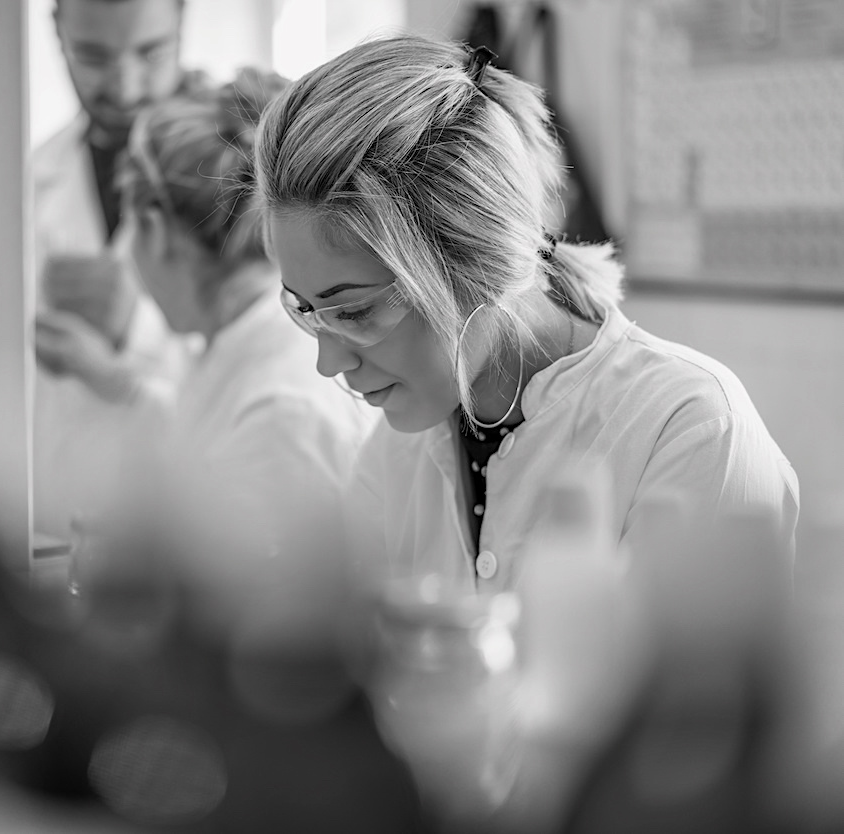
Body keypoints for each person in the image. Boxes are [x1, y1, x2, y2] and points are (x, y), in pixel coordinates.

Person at [253, 35, 799, 593]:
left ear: (475, 261)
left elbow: (698, 679)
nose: (327, 362)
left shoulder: (689, 429)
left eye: (354, 311)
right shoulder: (399, 452)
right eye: (307, 310)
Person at [36, 68, 376, 546]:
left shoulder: (283, 410)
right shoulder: (238, 341)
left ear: (152, 230)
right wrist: (112, 379)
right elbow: (195, 437)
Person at [33, 0, 204, 537]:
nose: (126, 88)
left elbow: (279, 358)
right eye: (93, 56)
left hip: (186, 522)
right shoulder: (29, 178)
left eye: (150, 53)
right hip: (53, 520)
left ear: (182, 24)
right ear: (57, 35)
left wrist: (135, 329)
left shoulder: (240, 176)